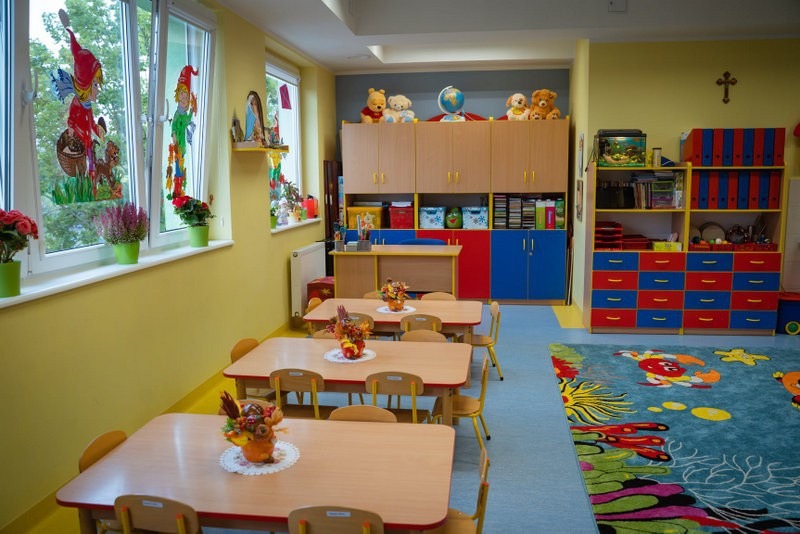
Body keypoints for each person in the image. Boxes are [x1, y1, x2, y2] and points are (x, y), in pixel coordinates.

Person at [167, 65, 198, 199]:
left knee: (180, 164)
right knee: (178, 165)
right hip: (178, 144)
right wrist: (173, 134)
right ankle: (177, 189)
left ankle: (179, 189)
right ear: (178, 96)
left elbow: (186, 121)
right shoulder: (177, 113)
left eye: (186, 94)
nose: (184, 96)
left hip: (182, 145)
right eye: (181, 93)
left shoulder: (184, 113)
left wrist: (192, 110)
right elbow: (174, 125)